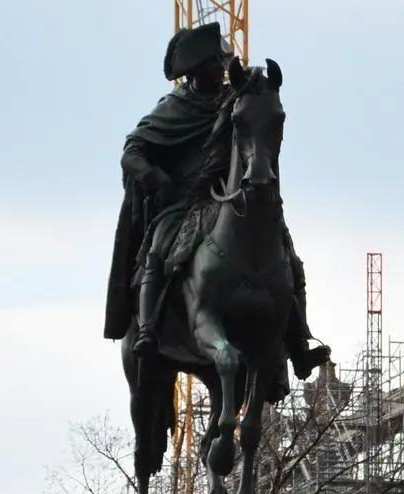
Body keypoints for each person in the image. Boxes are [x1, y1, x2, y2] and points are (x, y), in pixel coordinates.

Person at [104, 21, 329, 377]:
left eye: (222, 63)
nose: (222, 68)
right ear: (195, 71)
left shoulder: (233, 97)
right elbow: (132, 151)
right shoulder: (175, 106)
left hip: (232, 194)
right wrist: (157, 178)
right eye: (214, 64)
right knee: (158, 248)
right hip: (183, 200)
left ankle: (298, 344)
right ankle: (147, 328)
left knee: (290, 256)